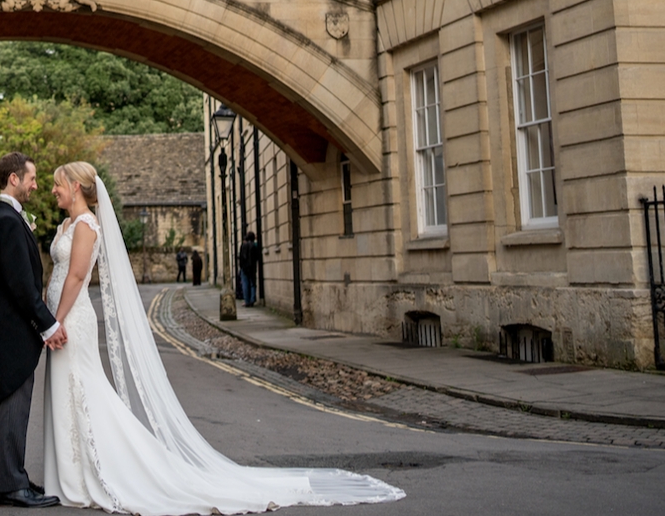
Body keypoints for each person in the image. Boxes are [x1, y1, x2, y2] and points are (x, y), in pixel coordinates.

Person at [42, 162, 403, 513]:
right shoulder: (65, 225)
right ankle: (70, 475)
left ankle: (97, 473)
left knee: (84, 390)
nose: (53, 189)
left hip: (72, 319)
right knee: (67, 391)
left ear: (75, 185)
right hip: (58, 318)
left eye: (58, 183)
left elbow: (76, 277)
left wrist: (57, 321)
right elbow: (58, 274)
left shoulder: (88, 225)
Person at [0, 152, 66, 509]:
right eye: (31, 178)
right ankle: (12, 486)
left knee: (17, 406)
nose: (36, 185)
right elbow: (20, 285)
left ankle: (14, 478)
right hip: (14, 331)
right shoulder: (5, 220)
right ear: (13, 179)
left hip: (14, 330)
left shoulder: (10, 218)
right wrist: (47, 324)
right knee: (15, 406)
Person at [239, 232, 260, 307]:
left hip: (244, 268)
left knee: (245, 284)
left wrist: (241, 266)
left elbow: (241, 257)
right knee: (252, 284)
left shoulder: (243, 245)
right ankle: (252, 300)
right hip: (252, 267)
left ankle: (247, 301)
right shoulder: (254, 245)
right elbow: (257, 256)